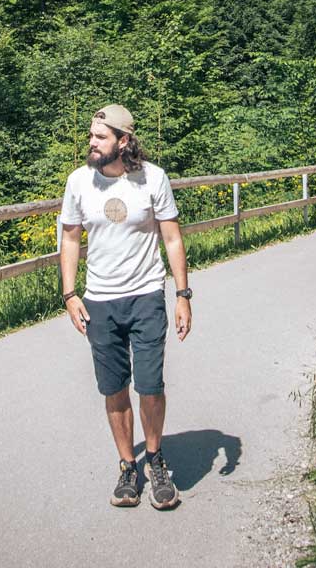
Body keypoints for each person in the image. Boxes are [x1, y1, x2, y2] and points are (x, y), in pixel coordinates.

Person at [59, 104, 192, 509]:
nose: (92, 143)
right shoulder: (79, 182)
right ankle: (127, 467)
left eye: (100, 136)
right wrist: (69, 294)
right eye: (91, 136)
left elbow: (172, 238)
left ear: (124, 140)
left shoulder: (152, 179)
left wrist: (183, 295)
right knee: (113, 388)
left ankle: (156, 461)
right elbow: (69, 239)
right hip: (100, 302)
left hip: (146, 296)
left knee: (150, 385)